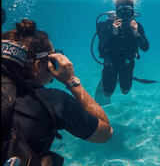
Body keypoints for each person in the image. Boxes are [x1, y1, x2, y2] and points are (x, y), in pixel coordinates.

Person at [2, 19, 113, 166]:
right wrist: (72, 81)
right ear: (37, 65)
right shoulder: (53, 101)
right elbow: (105, 133)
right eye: (52, 59)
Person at [94, 0, 150, 106]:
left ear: (133, 13)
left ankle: (118, 79)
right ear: (116, 13)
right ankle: (108, 79)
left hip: (127, 62)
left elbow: (145, 48)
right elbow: (101, 49)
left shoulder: (137, 27)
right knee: (107, 93)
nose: (125, 17)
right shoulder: (106, 26)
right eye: (121, 13)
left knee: (125, 91)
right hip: (110, 63)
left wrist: (136, 34)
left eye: (128, 13)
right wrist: (113, 33)